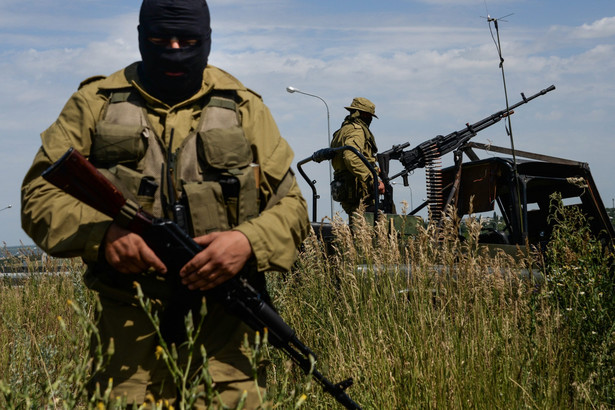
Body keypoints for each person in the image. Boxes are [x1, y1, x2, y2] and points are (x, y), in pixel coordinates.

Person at [20, 0, 310, 408]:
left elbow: (292, 206)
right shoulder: (95, 103)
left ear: (207, 41)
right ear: (141, 37)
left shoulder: (244, 107)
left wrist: (247, 242)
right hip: (128, 334)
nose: (175, 51)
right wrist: (104, 236)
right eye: (161, 40)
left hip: (225, 333)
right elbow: (38, 193)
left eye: (188, 40)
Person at [330, 97, 385, 217]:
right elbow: (351, 157)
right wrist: (373, 180)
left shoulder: (342, 131)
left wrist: (376, 169)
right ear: (364, 114)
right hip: (357, 189)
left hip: (346, 188)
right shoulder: (357, 130)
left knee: (356, 226)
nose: (370, 119)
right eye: (369, 115)